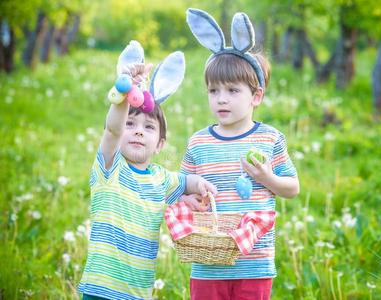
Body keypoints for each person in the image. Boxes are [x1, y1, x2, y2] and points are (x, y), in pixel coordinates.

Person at [78, 41, 216, 300]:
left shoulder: (161, 178)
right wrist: (127, 89)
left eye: (149, 127)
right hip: (101, 289)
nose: (139, 130)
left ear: (160, 144)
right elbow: (112, 129)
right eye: (131, 124)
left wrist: (201, 186)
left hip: (139, 292)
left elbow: (187, 182)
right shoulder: (110, 166)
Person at [181, 9, 300, 300]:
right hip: (208, 263)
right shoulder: (199, 143)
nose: (221, 98)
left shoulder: (269, 138)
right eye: (213, 90)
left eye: (233, 90)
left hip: (254, 262)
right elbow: (180, 187)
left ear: (256, 96)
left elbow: (292, 188)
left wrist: (266, 177)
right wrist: (188, 197)